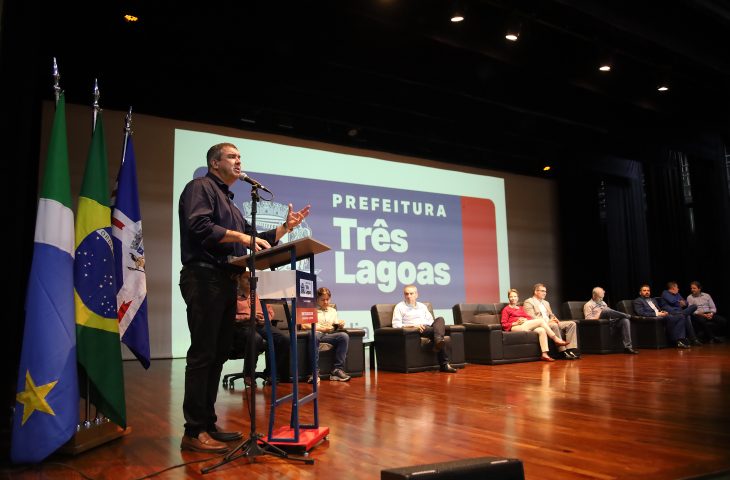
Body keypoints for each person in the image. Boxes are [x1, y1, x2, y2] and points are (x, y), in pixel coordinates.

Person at [178, 142, 310, 453]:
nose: (239, 161)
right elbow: (198, 225)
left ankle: (208, 423)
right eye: (232, 156)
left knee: (217, 355)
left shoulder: (232, 205)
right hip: (204, 277)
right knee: (203, 354)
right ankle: (193, 431)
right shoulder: (200, 187)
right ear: (215, 163)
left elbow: (255, 239)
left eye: (240, 157)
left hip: (225, 281)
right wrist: (240, 236)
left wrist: (284, 228)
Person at [236, 274, 290, 385]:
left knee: (284, 338)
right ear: (239, 279)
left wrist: (265, 318)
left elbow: (270, 312)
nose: (250, 280)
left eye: (253, 278)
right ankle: (249, 374)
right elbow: (229, 317)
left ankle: (271, 373)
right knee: (256, 338)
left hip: (261, 325)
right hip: (243, 326)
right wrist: (249, 317)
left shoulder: (258, 295)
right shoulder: (233, 296)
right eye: (246, 278)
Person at [392, 285, 457, 373]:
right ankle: (444, 364)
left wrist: (426, 325)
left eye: (411, 293)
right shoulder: (399, 307)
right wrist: (414, 326)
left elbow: (430, 321)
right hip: (415, 330)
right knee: (438, 333)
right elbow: (396, 325)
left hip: (427, 327)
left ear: (416, 295)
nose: (409, 296)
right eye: (406, 294)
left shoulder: (422, 306)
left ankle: (438, 341)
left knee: (440, 319)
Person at [501, 288, 568, 362]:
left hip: (525, 324)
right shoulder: (506, 309)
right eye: (511, 297)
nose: (513, 298)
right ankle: (556, 339)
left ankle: (544, 354)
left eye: (515, 296)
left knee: (542, 330)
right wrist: (516, 323)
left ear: (518, 298)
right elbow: (504, 324)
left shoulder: (520, 308)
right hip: (515, 327)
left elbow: (528, 317)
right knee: (541, 321)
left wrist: (525, 319)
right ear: (508, 298)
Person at [301, 287, 351, 383]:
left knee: (344, 336)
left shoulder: (333, 311)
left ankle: (337, 370)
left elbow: (334, 325)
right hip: (315, 333)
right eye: (323, 300)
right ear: (316, 299)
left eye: (327, 299)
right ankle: (314, 372)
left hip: (328, 335)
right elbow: (304, 325)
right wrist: (321, 328)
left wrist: (340, 324)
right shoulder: (310, 309)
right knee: (314, 335)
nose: (326, 302)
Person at [522, 283, 580, 359]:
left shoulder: (546, 303)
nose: (545, 293)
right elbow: (531, 317)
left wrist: (555, 319)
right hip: (542, 324)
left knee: (572, 324)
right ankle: (563, 352)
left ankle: (570, 349)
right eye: (542, 291)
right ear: (536, 292)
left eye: (545, 291)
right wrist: (548, 322)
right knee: (554, 325)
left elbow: (551, 315)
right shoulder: (528, 302)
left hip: (550, 322)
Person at [632, 284, 692, 349]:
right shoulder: (638, 301)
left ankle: (680, 339)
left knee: (682, 317)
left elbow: (658, 309)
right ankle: (678, 340)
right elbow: (641, 313)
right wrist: (657, 314)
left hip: (662, 315)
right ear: (640, 292)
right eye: (644, 290)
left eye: (648, 290)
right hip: (653, 317)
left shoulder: (653, 299)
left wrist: (663, 312)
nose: (647, 292)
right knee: (675, 317)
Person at [583, 286, 638, 354]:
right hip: (599, 324)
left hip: (610, 322)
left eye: (602, 297)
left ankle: (628, 347)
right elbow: (588, 319)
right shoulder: (588, 305)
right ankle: (629, 316)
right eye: (600, 297)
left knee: (625, 320)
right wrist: (599, 316)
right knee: (606, 310)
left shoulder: (603, 303)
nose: (601, 299)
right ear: (594, 296)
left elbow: (610, 313)